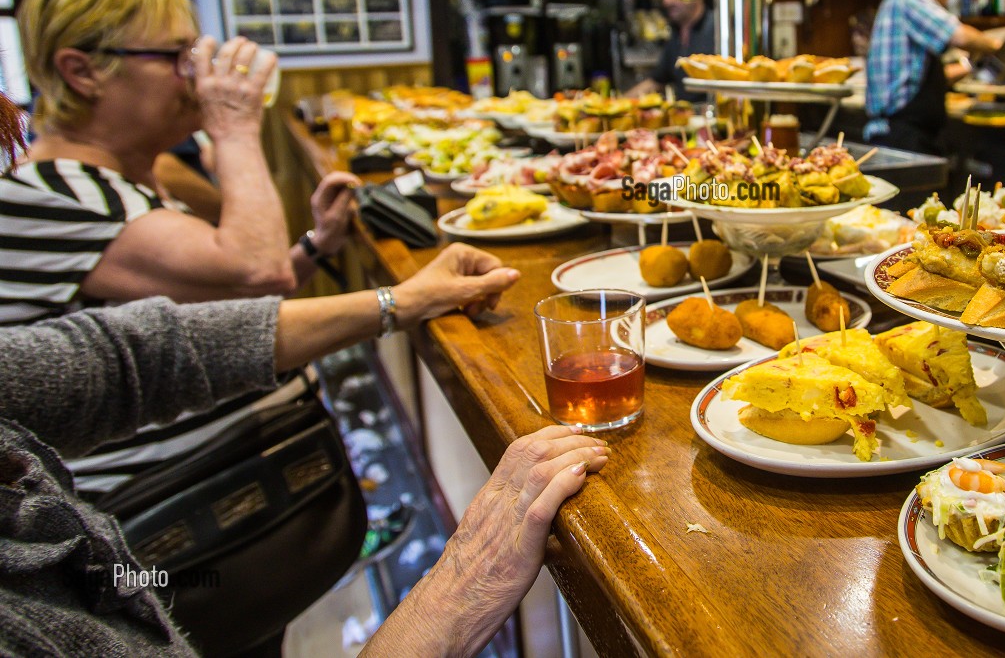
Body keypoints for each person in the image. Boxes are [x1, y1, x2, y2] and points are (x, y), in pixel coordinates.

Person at [0, 241, 609, 656]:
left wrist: (402, 301)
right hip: (180, 548)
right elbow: (263, 267)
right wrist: (463, 584)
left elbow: (137, 356)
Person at [0, 0, 358, 324]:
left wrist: (318, 245)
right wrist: (235, 129)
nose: (196, 76)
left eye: (194, 54)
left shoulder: (118, 177)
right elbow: (258, 273)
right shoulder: (60, 197)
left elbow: (237, 296)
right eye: (176, 57)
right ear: (82, 72)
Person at [864, 0, 1004, 154]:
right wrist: (999, 45)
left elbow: (918, 79)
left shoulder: (900, 1)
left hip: (907, 134)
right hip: (900, 136)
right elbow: (959, 36)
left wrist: (969, 68)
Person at [626, 0, 715, 102]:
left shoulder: (718, 28)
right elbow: (656, 81)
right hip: (685, 115)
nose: (666, 2)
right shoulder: (675, 34)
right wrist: (618, 102)